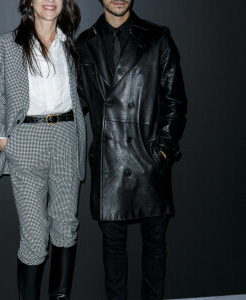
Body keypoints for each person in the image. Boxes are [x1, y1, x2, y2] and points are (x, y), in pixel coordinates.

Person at [77, 0, 187, 299]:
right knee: (112, 249)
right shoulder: (84, 43)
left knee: (155, 245)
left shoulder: (157, 38)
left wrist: (161, 151)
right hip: (109, 164)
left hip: (149, 161)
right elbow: (75, 105)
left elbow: (175, 102)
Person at [0, 0, 86, 299]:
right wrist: (2, 138)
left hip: (66, 137)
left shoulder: (71, 45)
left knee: (66, 226)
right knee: (34, 235)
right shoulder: (6, 44)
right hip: (27, 140)